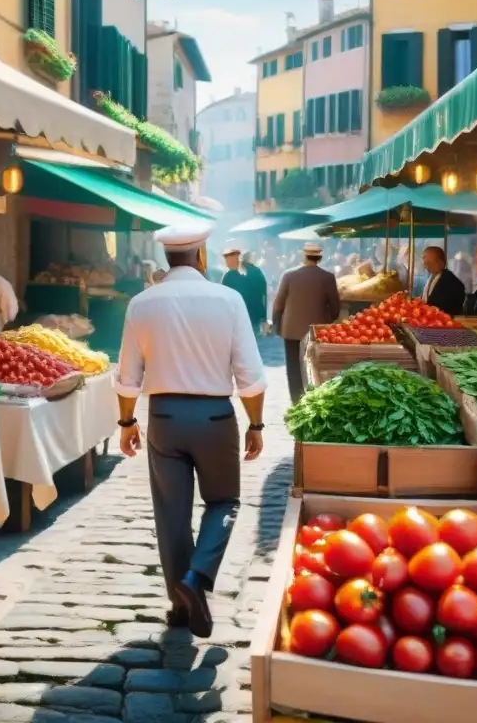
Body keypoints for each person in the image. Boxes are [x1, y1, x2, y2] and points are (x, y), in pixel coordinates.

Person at [116, 222, 266, 639]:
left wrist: (127, 421)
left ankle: (179, 606)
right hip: (215, 418)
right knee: (224, 502)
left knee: (171, 515)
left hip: (163, 417)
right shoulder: (229, 299)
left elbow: (128, 376)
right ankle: (197, 578)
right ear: (201, 256)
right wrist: (256, 423)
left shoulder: (141, 304)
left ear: (168, 257)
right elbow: (250, 378)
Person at [272, 242, 341, 404]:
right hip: (316, 330)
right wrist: (328, 319)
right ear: (320, 258)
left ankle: (296, 399)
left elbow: (278, 303)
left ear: (304, 256)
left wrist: (277, 323)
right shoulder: (327, 277)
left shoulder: (289, 275)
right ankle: (313, 397)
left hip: (291, 329)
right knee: (314, 364)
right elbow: (335, 305)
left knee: (293, 366)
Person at [421, 246, 466, 316]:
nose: (426, 266)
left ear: (440, 262)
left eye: (429, 263)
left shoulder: (452, 282)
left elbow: (448, 307)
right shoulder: (432, 277)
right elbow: (426, 299)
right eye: (425, 262)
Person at [241, 252, 268, 334]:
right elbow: (264, 294)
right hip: (254, 310)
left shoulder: (232, 272)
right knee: (254, 335)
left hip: (238, 310)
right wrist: (264, 315)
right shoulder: (257, 272)